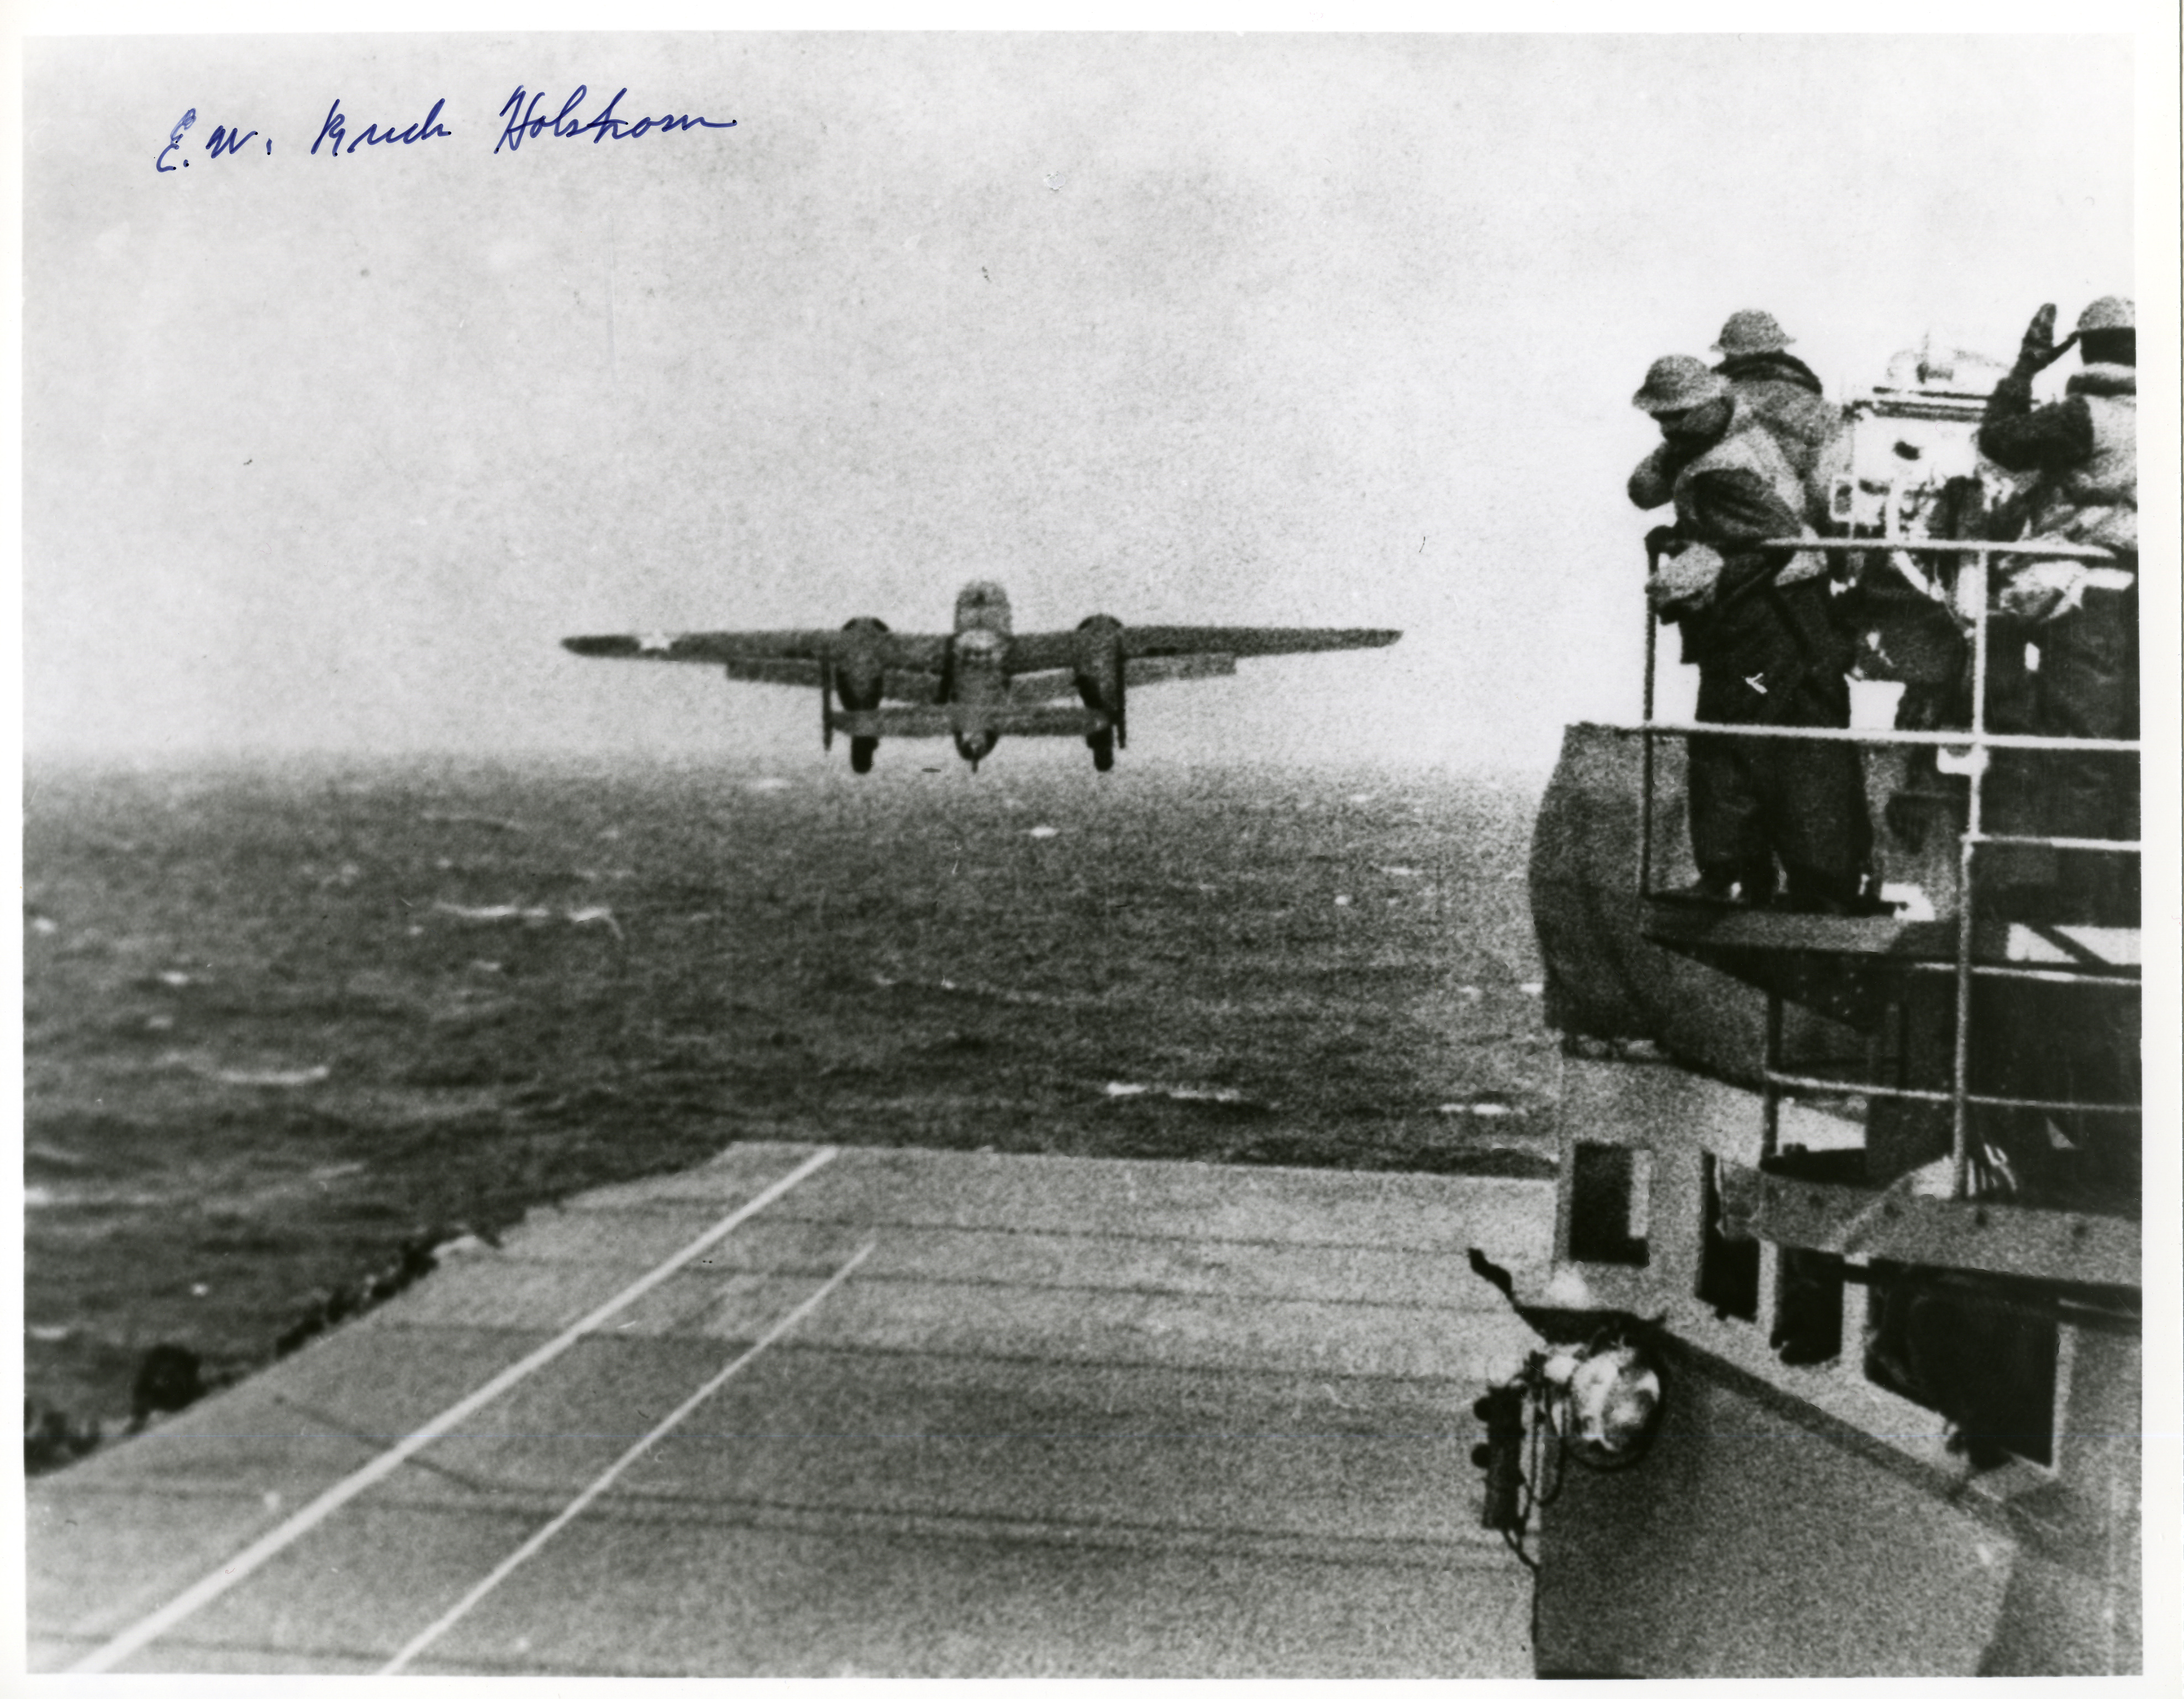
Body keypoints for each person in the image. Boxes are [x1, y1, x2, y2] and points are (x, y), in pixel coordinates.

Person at [1630, 355, 1872, 911]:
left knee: (1728, 740)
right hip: (1804, 623)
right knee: (1811, 749)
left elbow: (1774, 537)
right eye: (1663, 421)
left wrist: (1705, 560)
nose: (1669, 430)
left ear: (1710, 405)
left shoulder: (1718, 470)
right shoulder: (1752, 439)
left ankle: (1734, 874)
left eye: (1677, 418)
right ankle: (1827, 884)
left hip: (1758, 631)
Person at [1973, 296, 2138, 925]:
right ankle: (2131, 901)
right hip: (2149, 594)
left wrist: (2023, 370)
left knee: (2082, 751)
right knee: (2138, 746)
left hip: (2087, 595)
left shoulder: (2081, 416)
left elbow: (1997, 441)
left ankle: (2077, 903)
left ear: (2087, 350)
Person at [1629, 310, 1848, 526]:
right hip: (1813, 543)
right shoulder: (1828, 413)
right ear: (1782, 351)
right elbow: (1834, 495)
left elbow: (1645, 491)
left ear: (1728, 354)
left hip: (1731, 542)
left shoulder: (1707, 409)